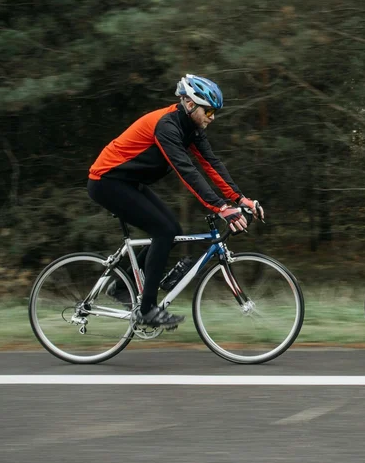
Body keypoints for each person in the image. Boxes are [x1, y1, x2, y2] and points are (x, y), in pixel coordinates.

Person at [87, 74, 265, 328]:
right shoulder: (166, 126)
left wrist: (240, 199)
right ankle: (147, 310)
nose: (212, 117)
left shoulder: (191, 129)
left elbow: (211, 165)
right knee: (163, 230)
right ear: (190, 104)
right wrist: (221, 207)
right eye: (209, 110)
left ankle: (121, 288)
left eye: (216, 112)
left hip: (127, 183)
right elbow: (186, 170)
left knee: (172, 231)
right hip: (106, 181)